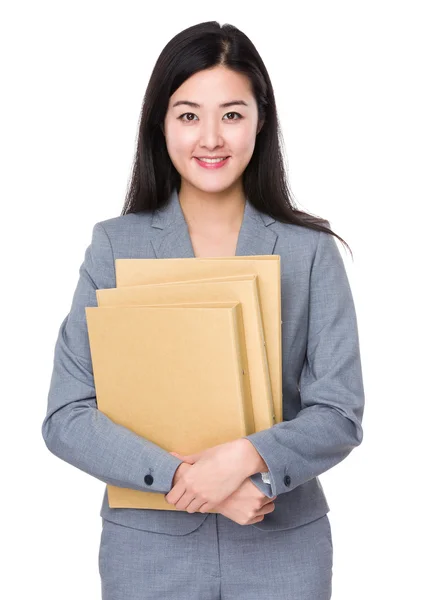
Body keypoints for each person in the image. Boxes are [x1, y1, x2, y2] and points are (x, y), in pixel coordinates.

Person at [41, 20, 365, 600]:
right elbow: (66, 415)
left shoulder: (310, 252)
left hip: (283, 547)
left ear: (260, 121)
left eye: (232, 114)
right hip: (148, 553)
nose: (211, 137)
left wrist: (247, 458)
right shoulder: (115, 246)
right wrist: (187, 479)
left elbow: (338, 413)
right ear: (160, 123)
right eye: (189, 114)